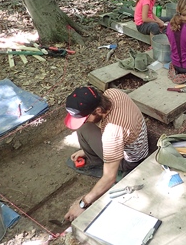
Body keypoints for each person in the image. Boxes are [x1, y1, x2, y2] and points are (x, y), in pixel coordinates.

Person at [63, 86, 148, 221]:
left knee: (84, 129)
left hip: (130, 161)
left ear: (97, 110)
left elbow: (109, 178)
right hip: (138, 140)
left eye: (85, 117)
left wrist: (83, 203)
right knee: (85, 127)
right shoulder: (113, 93)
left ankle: (98, 163)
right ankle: (97, 154)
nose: (84, 120)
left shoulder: (112, 133)